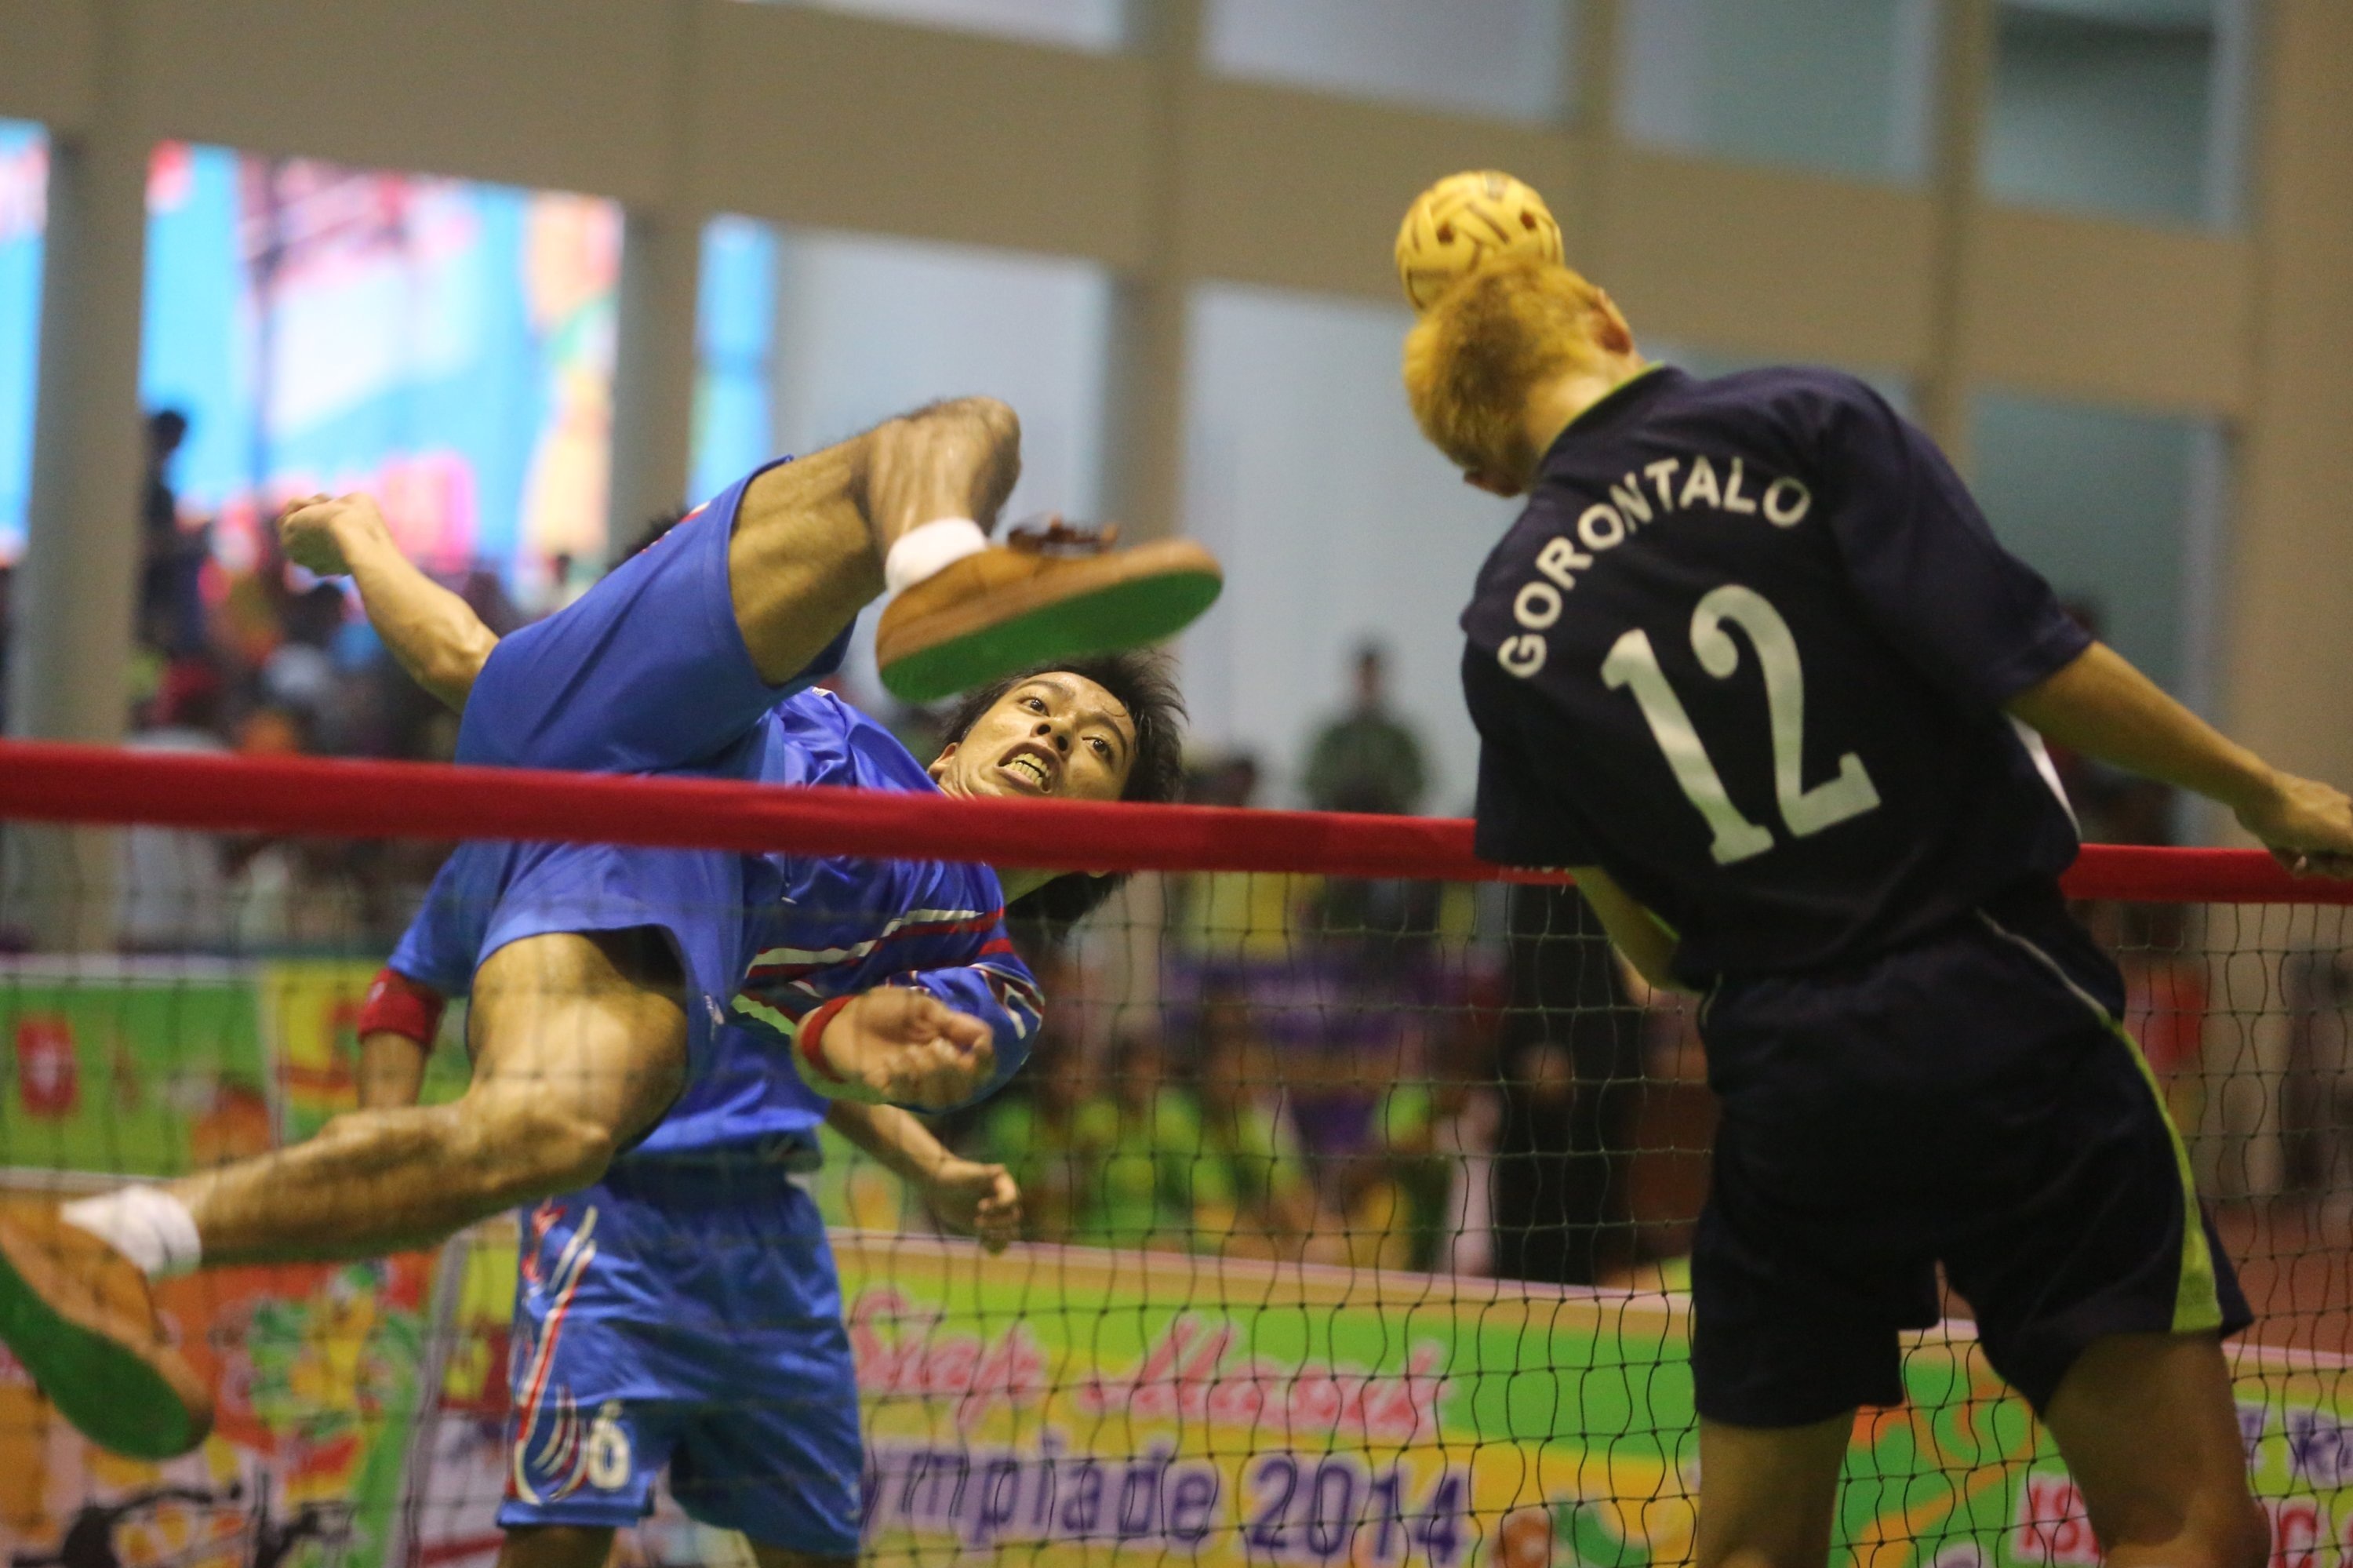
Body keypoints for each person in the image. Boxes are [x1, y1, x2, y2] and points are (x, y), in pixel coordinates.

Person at [0, 396, 1203, 1464]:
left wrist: (863, 1052)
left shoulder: (987, 968)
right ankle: (943, 564)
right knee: (965, 434)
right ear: (953, 740)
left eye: (1095, 745)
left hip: (664, 879)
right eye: (1033, 702)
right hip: (711, 720)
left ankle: (110, 1240)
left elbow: (869, 1048)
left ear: (1111, 845)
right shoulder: (829, 723)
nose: (1053, 730)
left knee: (553, 1133)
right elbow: (412, 967)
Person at [1403, 253, 2353, 1567]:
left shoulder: (1504, 631)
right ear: (1609, 321)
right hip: (2000, 1014)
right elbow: (2031, 661)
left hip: (1790, 1083)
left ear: (1482, 474)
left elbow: (1651, 950)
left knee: (1752, 1550)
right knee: (2180, 1521)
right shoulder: (1801, 418)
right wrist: (2262, 790)